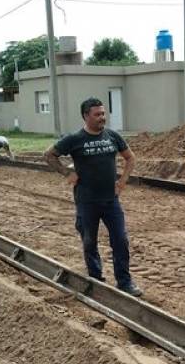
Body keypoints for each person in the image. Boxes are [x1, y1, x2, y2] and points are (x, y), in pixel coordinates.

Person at [43, 97, 142, 297]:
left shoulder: (112, 136)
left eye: (103, 114)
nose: (102, 118)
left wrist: (122, 181)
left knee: (120, 241)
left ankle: (124, 282)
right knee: (89, 241)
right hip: (86, 201)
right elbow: (49, 155)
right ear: (85, 116)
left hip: (111, 200)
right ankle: (96, 279)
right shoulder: (74, 139)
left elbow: (130, 158)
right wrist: (66, 173)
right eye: (97, 114)